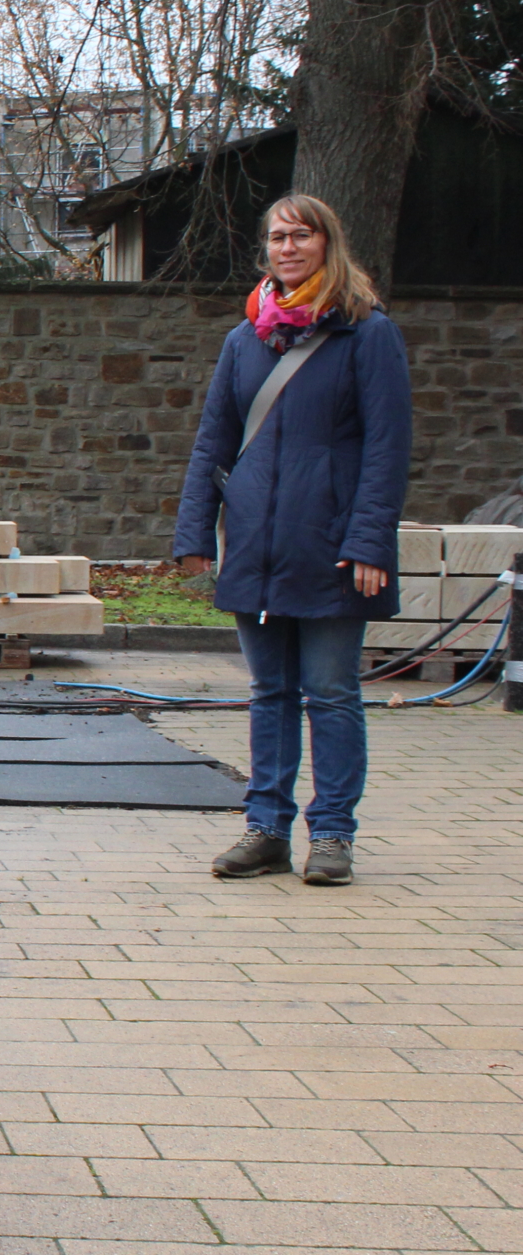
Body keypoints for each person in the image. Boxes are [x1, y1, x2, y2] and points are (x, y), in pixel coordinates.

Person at [173, 194, 411, 888]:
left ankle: (332, 833)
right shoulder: (245, 339)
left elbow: (387, 450)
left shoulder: (368, 335)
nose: (288, 246)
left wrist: (370, 542)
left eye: (302, 235)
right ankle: (266, 828)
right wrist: (196, 532)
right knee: (269, 691)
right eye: (278, 236)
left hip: (332, 545)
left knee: (331, 692)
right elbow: (213, 441)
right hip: (256, 545)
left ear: (327, 244)